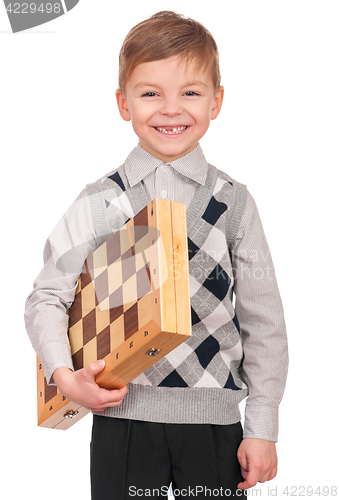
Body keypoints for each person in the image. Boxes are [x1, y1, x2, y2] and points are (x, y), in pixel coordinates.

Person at [25, 11, 288, 500]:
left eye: (190, 92)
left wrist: (263, 423)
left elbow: (263, 319)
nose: (171, 109)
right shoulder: (99, 201)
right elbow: (47, 297)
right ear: (123, 104)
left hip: (214, 428)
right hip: (122, 423)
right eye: (150, 93)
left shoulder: (234, 202)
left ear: (217, 100)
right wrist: (65, 377)